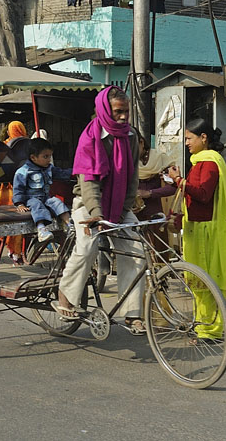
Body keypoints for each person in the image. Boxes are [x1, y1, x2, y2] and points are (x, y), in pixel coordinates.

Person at [55, 87, 143, 333]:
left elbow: (132, 177)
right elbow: (88, 183)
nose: (123, 117)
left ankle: (132, 313)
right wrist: (98, 214)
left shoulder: (131, 136)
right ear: (105, 110)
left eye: (126, 111)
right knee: (87, 248)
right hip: (88, 204)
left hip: (119, 204)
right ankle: (66, 295)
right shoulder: (90, 138)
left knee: (137, 251)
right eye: (118, 111)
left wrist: (123, 210)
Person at [166, 118, 226, 341]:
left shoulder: (209, 162)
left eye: (189, 138)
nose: (186, 143)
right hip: (198, 227)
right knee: (201, 283)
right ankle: (204, 326)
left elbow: (204, 194)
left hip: (206, 232)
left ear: (203, 138)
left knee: (206, 282)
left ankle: (210, 330)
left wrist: (179, 180)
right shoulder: (201, 161)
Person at [13, 136, 73, 243]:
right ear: (33, 157)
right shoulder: (23, 171)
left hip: (46, 198)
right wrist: (20, 204)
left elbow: (62, 173)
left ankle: (70, 226)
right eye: (45, 156)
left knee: (57, 202)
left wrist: (77, 171)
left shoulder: (49, 168)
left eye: (50, 156)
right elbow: (18, 189)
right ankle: (41, 229)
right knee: (37, 205)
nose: (49, 159)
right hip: (31, 199)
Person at [0, 120, 29, 263]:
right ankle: (15, 251)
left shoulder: (6, 146)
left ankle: (16, 252)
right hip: (14, 188)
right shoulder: (28, 146)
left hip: (13, 188)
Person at [135, 135, 178, 249]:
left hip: (155, 217)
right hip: (132, 217)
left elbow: (173, 187)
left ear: (141, 142)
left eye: (132, 145)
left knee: (159, 251)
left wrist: (149, 193)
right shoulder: (123, 161)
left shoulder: (159, 159)